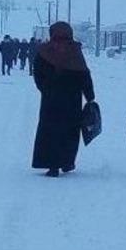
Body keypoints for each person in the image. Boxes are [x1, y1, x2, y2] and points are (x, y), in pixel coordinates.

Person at [32, 22, 95, 177]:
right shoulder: (74, 51)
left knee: (50, 130)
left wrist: (45, 89)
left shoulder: (45, 51)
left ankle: (52, 165)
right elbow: (84, 74)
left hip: (51, 99)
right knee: (70, 131)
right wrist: (89, 95)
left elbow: (37, 73)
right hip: (72, 99)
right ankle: (67, 162)